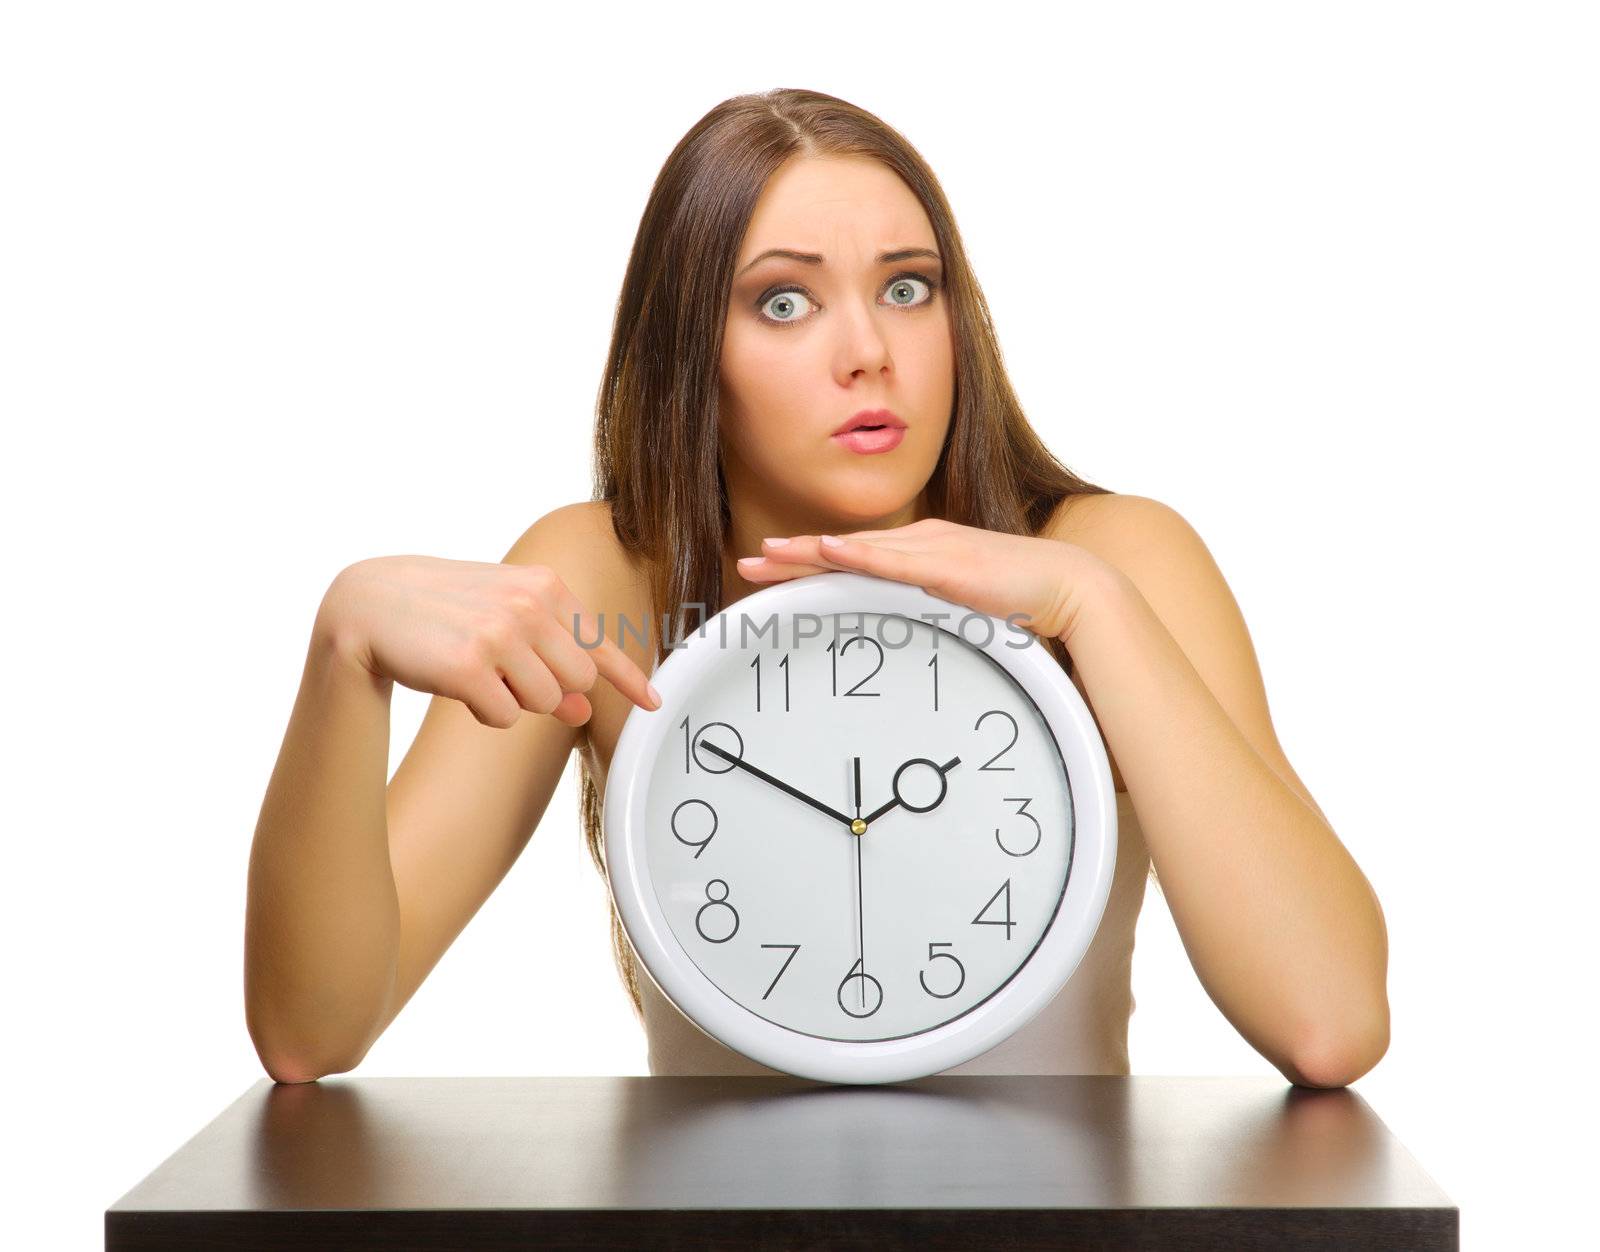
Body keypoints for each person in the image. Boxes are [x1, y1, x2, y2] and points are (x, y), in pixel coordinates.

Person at [244, 88, 1389, 1088]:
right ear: (693, 349)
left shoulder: (1116, 559)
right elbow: (312, 1031)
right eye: (784, 302)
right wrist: (342, 660)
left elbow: (1328, 1022)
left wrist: (1092, 613)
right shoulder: (609, 578)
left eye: (907, 288)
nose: (869, 352)